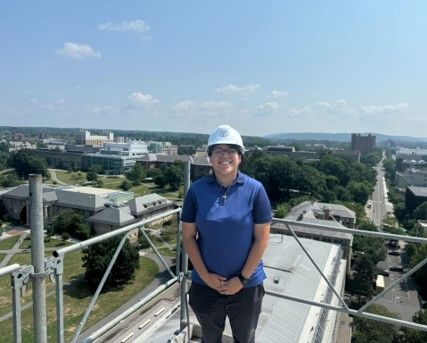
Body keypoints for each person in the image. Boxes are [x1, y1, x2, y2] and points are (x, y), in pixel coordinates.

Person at [181, 124, 272, 343]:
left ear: (240, 157)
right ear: (210, 157)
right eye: (218, 150)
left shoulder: (255, 190)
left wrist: (241, 279)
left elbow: (262, 239)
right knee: (210, 338)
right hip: (206, 285)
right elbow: (188, 237)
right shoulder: (196, 190)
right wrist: (205, 277)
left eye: (231, 150)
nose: (224, 155)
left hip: (247, 286)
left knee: (244, 339)